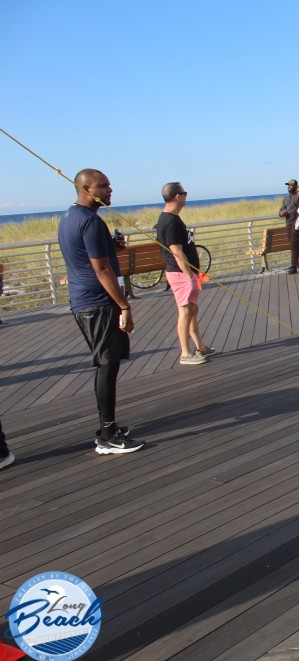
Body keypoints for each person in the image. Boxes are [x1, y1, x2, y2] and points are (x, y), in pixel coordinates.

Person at [57, 169, 144, 454]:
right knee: (107, 365)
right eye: (103, 186)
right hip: (97, 302)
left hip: (86, 301)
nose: (110, 190)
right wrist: (124, 305)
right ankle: (107, 435)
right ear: (86, 189)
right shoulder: (91, 221)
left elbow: (88, 257)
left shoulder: (70, 217)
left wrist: (111, 246)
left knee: (107, 363)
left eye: (109, 185)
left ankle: (109, 427)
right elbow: (101, 269)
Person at [156, 182, 215, 365]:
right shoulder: (170, 221)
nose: (186, 196)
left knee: (192, 310)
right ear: (177, 196)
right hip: (181, 274)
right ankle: (185, 353)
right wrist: (189, 275)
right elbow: (176, 251)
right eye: (184, 193)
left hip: (187, 273)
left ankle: (200, 346)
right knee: (185, 312)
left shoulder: (174, 218)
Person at [278, 179, 299, 274]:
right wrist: (282, 213)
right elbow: (280, 212)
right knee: (294, 244)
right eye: (288, 185)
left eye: (291, 185)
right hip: (288, 223)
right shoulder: (286, 198)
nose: (289, 187)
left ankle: (294, 266)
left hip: (297, 223)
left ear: (296, 187)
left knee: (293, 244)